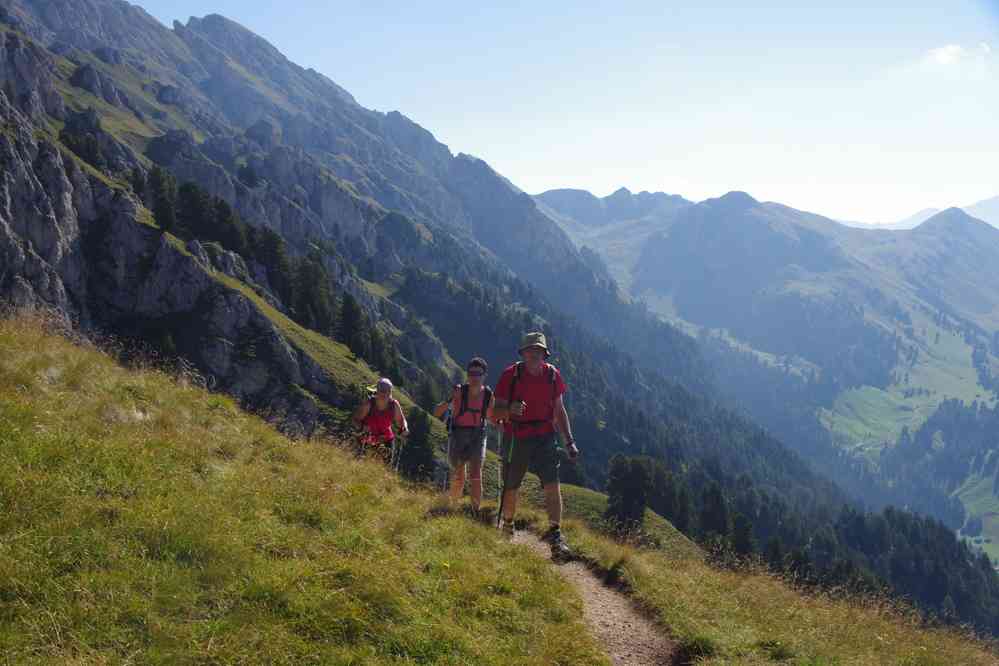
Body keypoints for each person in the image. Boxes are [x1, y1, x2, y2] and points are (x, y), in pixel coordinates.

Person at [493, 332, 579, 560]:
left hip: (545, 435)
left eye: (538, 351)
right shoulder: (510, 375)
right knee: (511, 486)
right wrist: (510, 409)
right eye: (530, 350)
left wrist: (569, 440)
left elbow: (559, 410)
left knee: (552, 485)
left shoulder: (552, 376)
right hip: (516, 435)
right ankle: (509, 523)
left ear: (544, 354)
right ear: (523, 353)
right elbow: (495, 412)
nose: (534, 354)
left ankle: (556, 536)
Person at [433, 358, 494, 512]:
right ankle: (453, 507)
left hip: (477, 435)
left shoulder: (487, 395)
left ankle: (475, 511)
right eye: (471, 373)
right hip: (458, 434)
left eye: (478, 374)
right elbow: (437, 412)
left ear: (484, 375)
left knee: (475, 474)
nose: (474, 377)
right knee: (459, 475)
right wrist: (451, 398)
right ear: (467, 375)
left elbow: (492, 417)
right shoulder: (459, 392)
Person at [353, 377, 409, 463]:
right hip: (367, 437)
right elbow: (356, 419)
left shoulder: (394, 405)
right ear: (377, 391)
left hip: (385, 440)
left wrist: (404, 428)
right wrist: (362, 427)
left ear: (390, 392)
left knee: (384, 467)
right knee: (360, 463)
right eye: (382, 390)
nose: (384, 393)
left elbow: (401, 421)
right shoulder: (369, 403)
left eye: (387, 391)